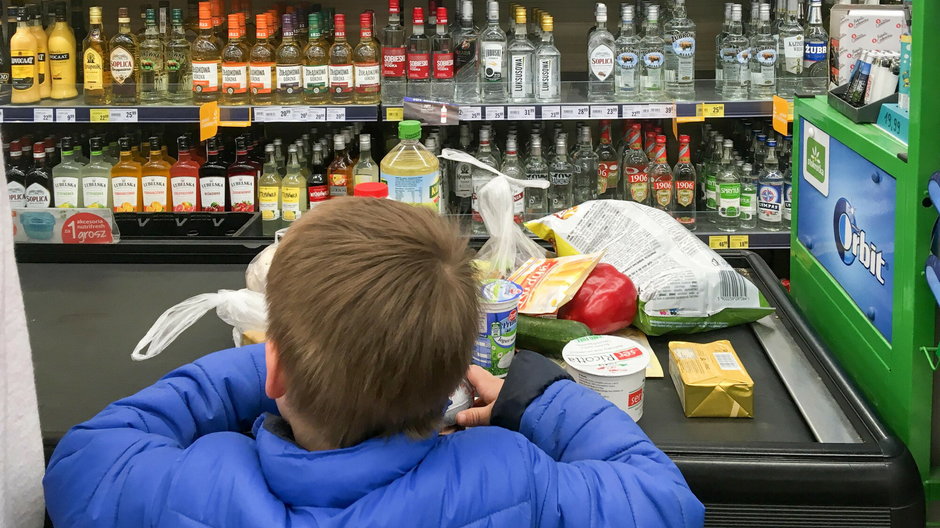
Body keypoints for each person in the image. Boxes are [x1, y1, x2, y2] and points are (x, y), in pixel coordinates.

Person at [43, 197, 704, 527]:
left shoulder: (186, 487)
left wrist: (277, 365)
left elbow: (82, 459)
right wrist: (534, 394)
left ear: (274, 372)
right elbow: (667, 498)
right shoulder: (510, 478)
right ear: (452, 380)